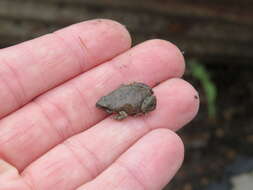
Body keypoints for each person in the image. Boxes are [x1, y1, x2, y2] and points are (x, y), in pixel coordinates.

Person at [0, 19, 199, 190]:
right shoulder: (109, 99)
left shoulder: (114, 106)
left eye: (104, 107)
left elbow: (122, 114)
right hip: (136, 91)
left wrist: (128, 111)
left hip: (141, 99)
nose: (101, 108)